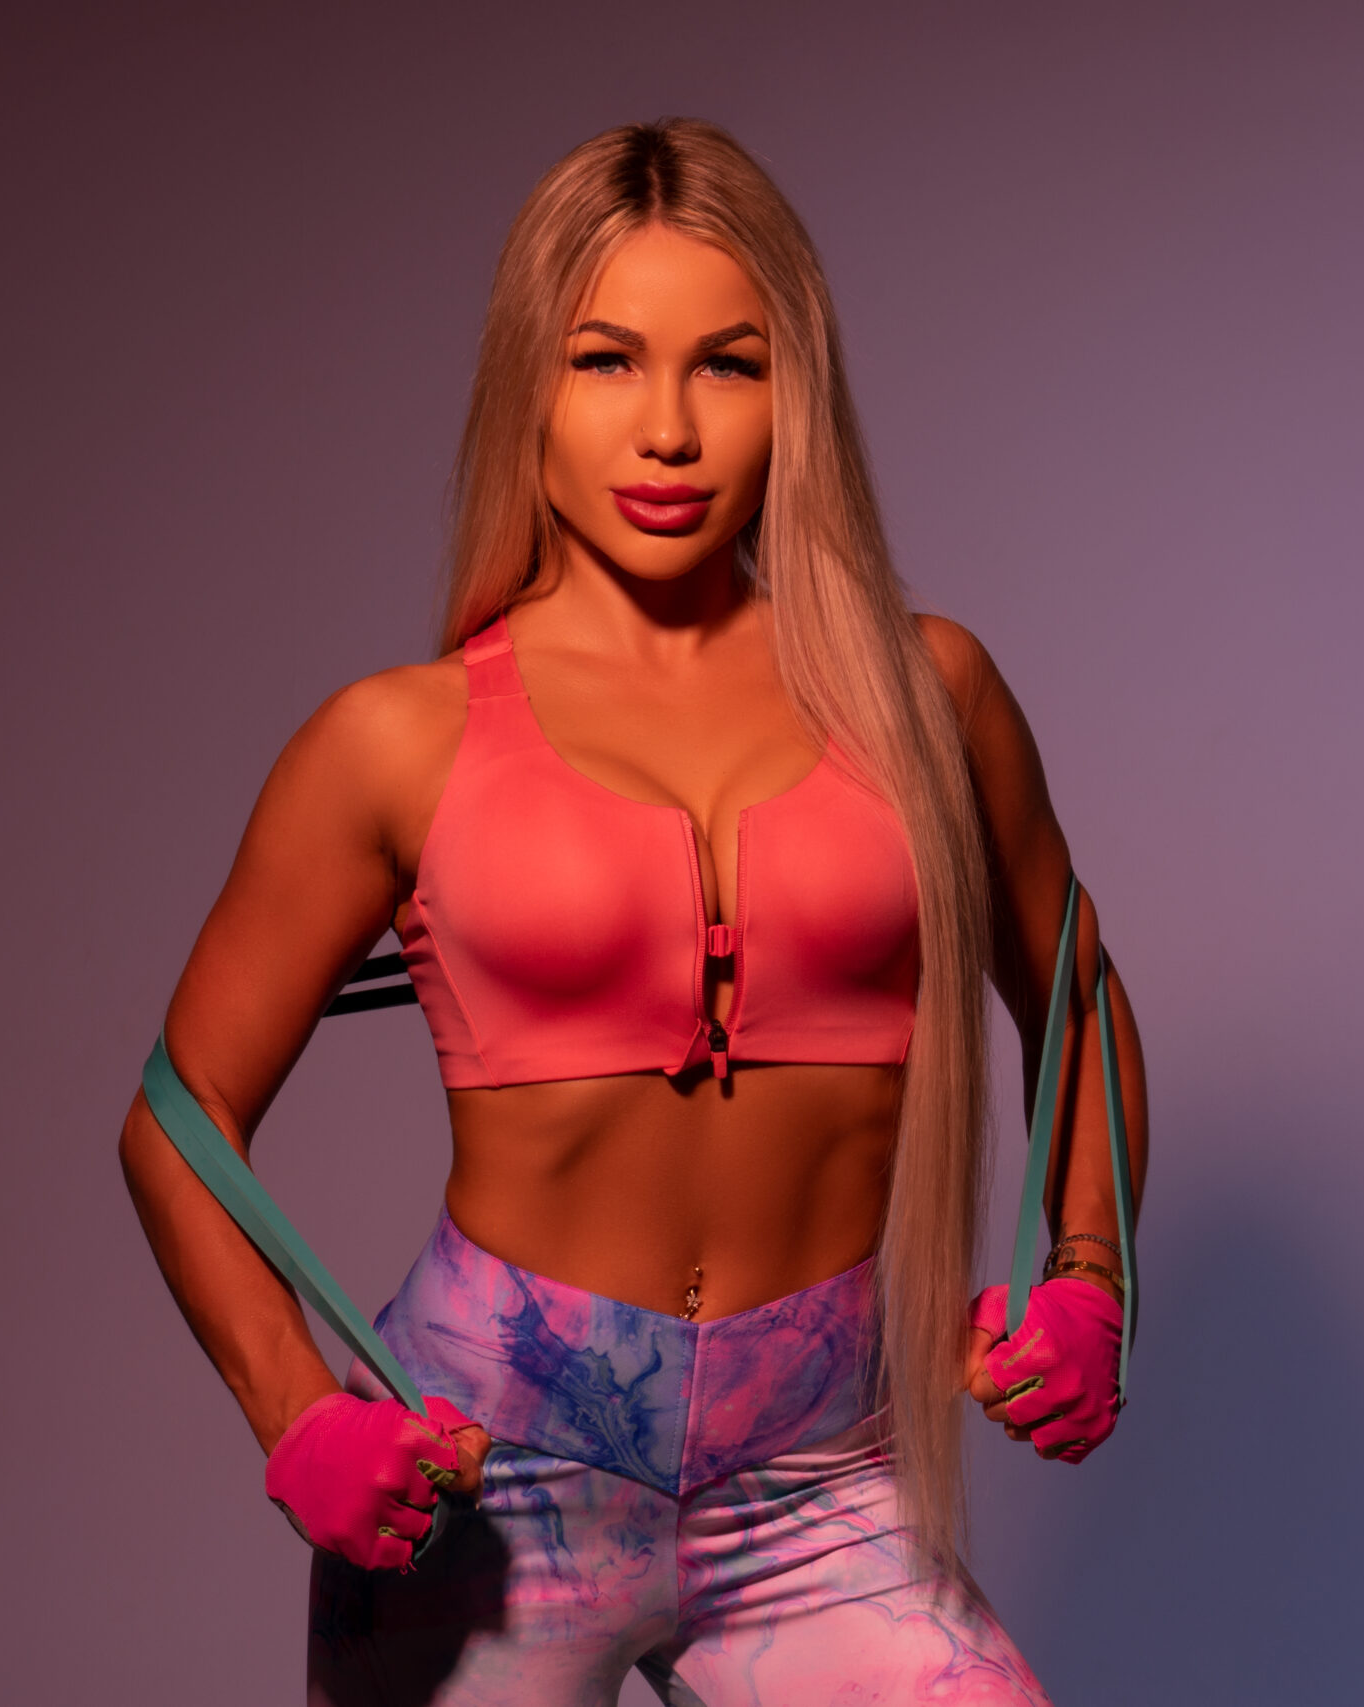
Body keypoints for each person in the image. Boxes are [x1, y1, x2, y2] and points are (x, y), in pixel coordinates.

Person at [118, 118, 1149, 1707]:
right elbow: (179, 1116)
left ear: (796, 393)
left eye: (728, 365)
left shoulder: (929, 697)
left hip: (822, 1480)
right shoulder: (393, 741)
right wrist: (297, 1413)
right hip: (491, 1485)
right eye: (606, 361)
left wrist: (1089, 1278)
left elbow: (1072, 992)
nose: (667, 430)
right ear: (529, 384)